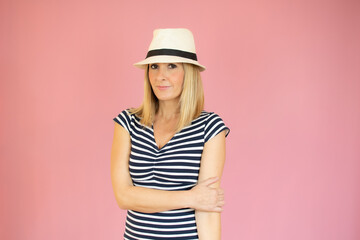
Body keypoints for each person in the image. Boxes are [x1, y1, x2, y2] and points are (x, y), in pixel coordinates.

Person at [111, 28, 230, 240]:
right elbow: (123, 196)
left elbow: (207, 208)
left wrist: (200, 200)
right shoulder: (127, 122)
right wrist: (191, 197)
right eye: (154, 66)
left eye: (172, 66)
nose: (160, 76)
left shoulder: (210, 127)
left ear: (189, 73)